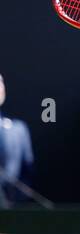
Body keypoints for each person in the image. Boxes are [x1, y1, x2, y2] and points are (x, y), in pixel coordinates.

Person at [0, 72, 34, 208]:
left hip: (11, 211)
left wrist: (14, 203)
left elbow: (28, 171)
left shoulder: (18, 129)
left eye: (0, 82)